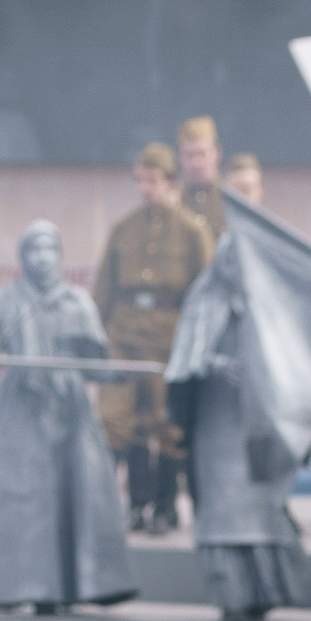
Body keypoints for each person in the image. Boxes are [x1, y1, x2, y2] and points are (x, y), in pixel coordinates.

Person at [0, 222, 136, 612]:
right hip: (21, 408)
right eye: (33, 250)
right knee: (21, 499)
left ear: (60, 255)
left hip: (68, 408)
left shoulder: (78, 301)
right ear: (22, 256)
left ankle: (73, 588)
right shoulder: (8, 300)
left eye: (49, 249)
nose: (42, 257)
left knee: (75, 492)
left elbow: (95, 364)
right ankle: (19, 589)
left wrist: (118, 370)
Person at [164, 237, 305, 621]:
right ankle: (233, 593)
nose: (235, 267)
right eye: (228, 259)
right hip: (218, 423)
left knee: (264, 508)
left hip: (260, 423)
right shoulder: (203, 302)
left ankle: (266, 591)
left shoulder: (270, 305)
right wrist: (212, 363)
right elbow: (182, 362)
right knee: (226, 511)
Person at [96, 143, 215, 536]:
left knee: (167, 425)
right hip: (125, 336)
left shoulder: (192, 231)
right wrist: (98, 336)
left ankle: (165, 507)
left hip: (170, 341)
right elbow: (105, 289)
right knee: (116, 420)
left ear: (170, 182)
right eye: (141, 181)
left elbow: (206, 294)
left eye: (153, 180)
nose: (145, 188)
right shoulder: (124, 229)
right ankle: (133, 504)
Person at [178, 116, 228, 242]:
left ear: (217, 153)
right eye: (189, 155)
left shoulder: (230, 202)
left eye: (201, 154)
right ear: (179, 157)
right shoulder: (174, 202)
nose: (196, 163)